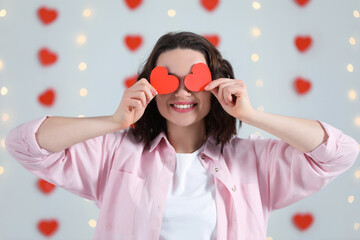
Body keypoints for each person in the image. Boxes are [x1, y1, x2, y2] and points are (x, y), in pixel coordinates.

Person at [5, 31, 359, 240]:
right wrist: (115, 121)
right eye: (167, 79)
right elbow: (25, 143)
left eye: (194, 79)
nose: (181, 91)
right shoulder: (115, 154)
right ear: (150, 86)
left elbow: (340, 152)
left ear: (214, 84)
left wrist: (250, 115)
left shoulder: (254, 161)